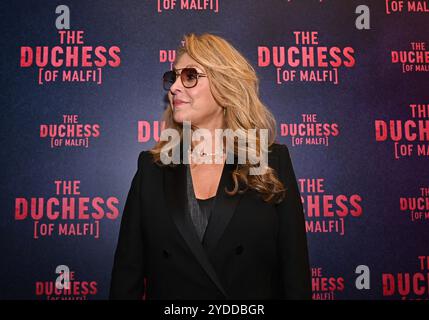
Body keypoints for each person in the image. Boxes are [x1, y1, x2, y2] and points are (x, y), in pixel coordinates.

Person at [109, 32, 311, 300]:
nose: (174, 87)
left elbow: (295, 277)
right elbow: (126, 278)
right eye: (173, 77)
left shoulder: (272, 161)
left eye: (189, 76)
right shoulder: (152, 168)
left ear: (225, 85)